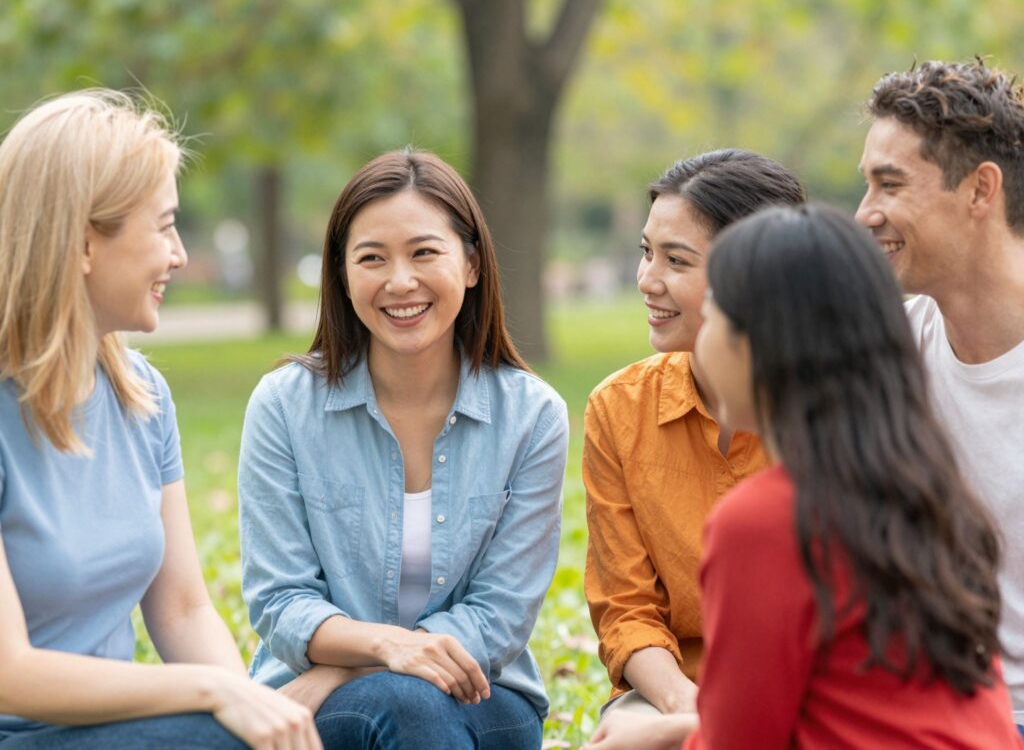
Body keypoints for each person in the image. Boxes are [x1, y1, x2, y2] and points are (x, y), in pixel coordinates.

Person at [586, 204, 1022, 749]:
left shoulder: (768, 520)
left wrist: (647, 739)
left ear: (760, 343)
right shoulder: (925, 485)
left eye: (717, 309)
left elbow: (740, 744)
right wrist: (675, 726)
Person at [0, 91, 319, 748]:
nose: (178, 254)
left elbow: (182, 609)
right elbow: (11, 673)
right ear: (85, 242)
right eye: (164, 225)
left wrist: (260, 719)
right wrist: (215, 692)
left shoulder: (142, 395)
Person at [238, 149, 569, 750]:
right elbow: (280, 598)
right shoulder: (284, 407)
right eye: (371, 258)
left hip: (484, 699)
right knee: (401, 706)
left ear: (470, 265)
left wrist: (358, 661)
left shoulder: (532, 416)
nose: (400, 281)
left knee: (408, 704)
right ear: (342, 275)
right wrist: (385, 652)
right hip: (324, 709)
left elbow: (500, 612)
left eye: (423, 252)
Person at [583, 149, 805, 717]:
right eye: (646, 252)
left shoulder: (835, 413)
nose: (647, 281)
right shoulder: (618, 410)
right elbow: (625, 609)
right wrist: (688, 707)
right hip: (669, 693)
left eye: (676, 261)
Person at [855, 58, 1024, 734]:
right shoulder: (888, 350)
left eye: (889, 185)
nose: (865, 213)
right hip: (923, 713)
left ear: (981, 190)